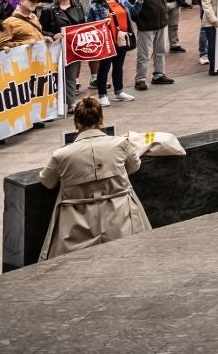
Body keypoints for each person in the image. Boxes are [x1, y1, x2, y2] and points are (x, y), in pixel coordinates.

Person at [38, 96, 152, 258]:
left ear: (76, 123)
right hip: (122, 220)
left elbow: (47, 181)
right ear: (102, 119)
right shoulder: (120, 144)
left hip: (75, 229)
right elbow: (134, 166)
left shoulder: (61, 155)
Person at [127, 0, 175, 90]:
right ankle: (140, 79)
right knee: (144, 55)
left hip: (161, 25)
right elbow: (132, 12)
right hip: (146, 27)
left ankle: (159, 75)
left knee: (160, 51)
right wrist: (139, 3)